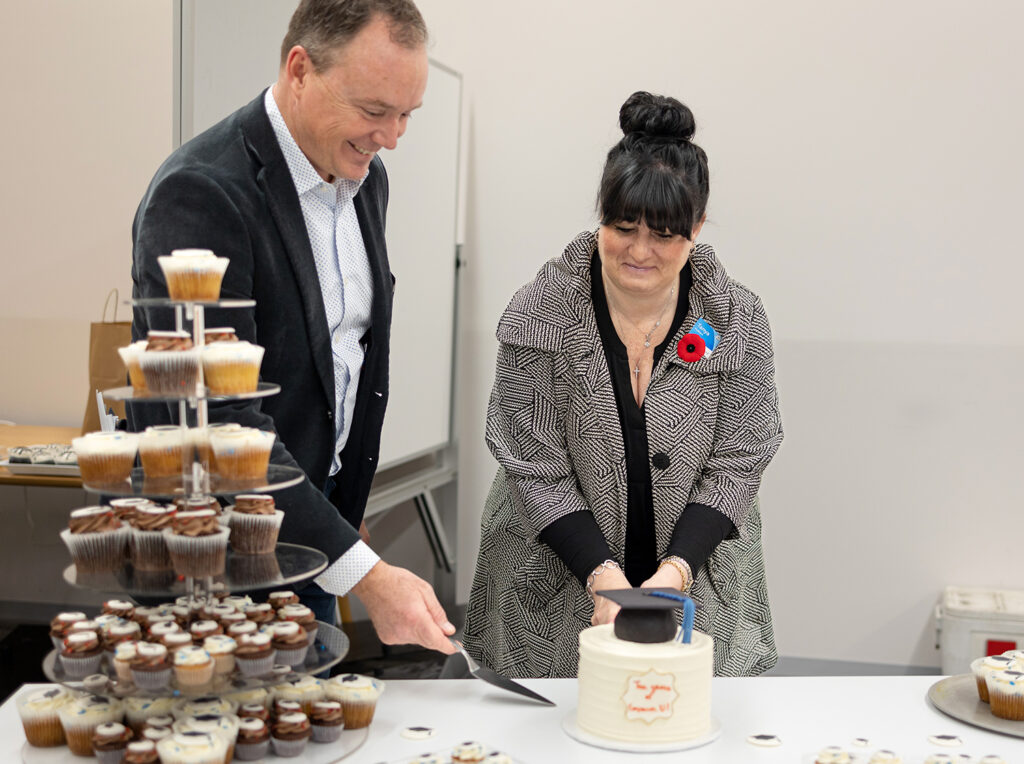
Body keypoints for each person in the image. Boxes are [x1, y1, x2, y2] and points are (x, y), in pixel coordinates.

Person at [129, 0, 455, 655]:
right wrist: (366, 571)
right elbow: (216, 425)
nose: (391, 137)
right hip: (213, 561)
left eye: (406, 115)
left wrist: (341, 528)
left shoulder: (366, 179)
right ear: (300, 69)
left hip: (313, 536)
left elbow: (346, 357)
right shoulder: (203, 193)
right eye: (373, 111)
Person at [462, 92, 784, 678]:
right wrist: (601, 575)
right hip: (553, 570)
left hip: (698, 569)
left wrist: (677, 570)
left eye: (663, 234)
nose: (640, 251)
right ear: (601, 216)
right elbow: (533, 465)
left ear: (697, 227)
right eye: (623, 226)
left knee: (691, 721)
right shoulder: (542, 311)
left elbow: (742, 457)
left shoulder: (731, 315)